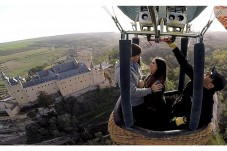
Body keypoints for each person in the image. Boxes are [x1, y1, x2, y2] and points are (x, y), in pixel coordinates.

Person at [166, 41, 226, 130]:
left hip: (178, 122)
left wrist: (183, 120)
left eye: (210, 75)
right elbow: (185, 65)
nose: (207, 73)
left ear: (210, 85)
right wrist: (173, 46)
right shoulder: (198, 79)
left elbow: (206, 119)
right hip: (175, 108)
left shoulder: (207, 100)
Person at [114, 43, 163, 128]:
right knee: (144, 124)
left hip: (141, 99)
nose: (139, 57)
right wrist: (150, 90)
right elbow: (132, 92)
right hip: (135, 104)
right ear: (134, 55)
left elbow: (138, 78)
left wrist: (141, 81)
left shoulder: (134, 64)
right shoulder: (123, 71)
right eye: (138, 55)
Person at [142, 57, 168, 130]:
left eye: (153, 63)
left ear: (158, 67)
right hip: (151, 109)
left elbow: (153, 99)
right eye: (151, 62)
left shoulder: (158, 82)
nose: (150, 64)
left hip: (156, 111)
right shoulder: (151, 75)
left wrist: (145, 89)